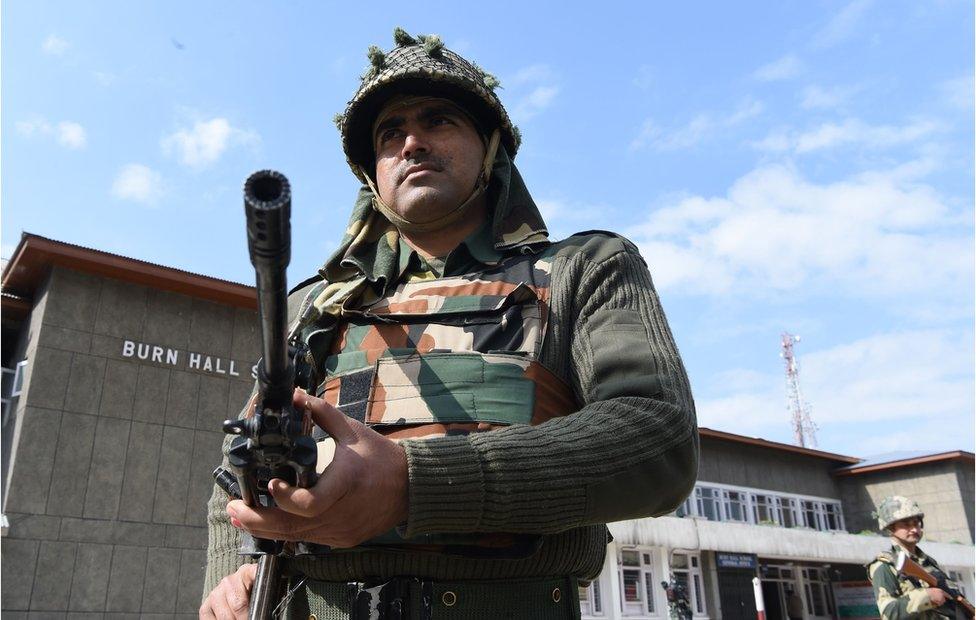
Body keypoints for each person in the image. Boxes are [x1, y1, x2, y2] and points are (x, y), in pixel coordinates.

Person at [201, 28, 698, 620]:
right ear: (372, 173)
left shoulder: (581, 268)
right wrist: (234, 574)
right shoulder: (316, 306)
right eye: (391, 133)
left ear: (490, 149)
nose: (412, 143)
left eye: (438, 120)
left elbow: (655, 437)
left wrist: (413, 484)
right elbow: (236, 471)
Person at [867, 496, 965, 620]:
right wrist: (926, 596)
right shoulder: (885, 565)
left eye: (916, 523)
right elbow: (889, 612)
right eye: (906, 525)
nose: (914, 529)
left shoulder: (927, 561)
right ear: (891, 528)